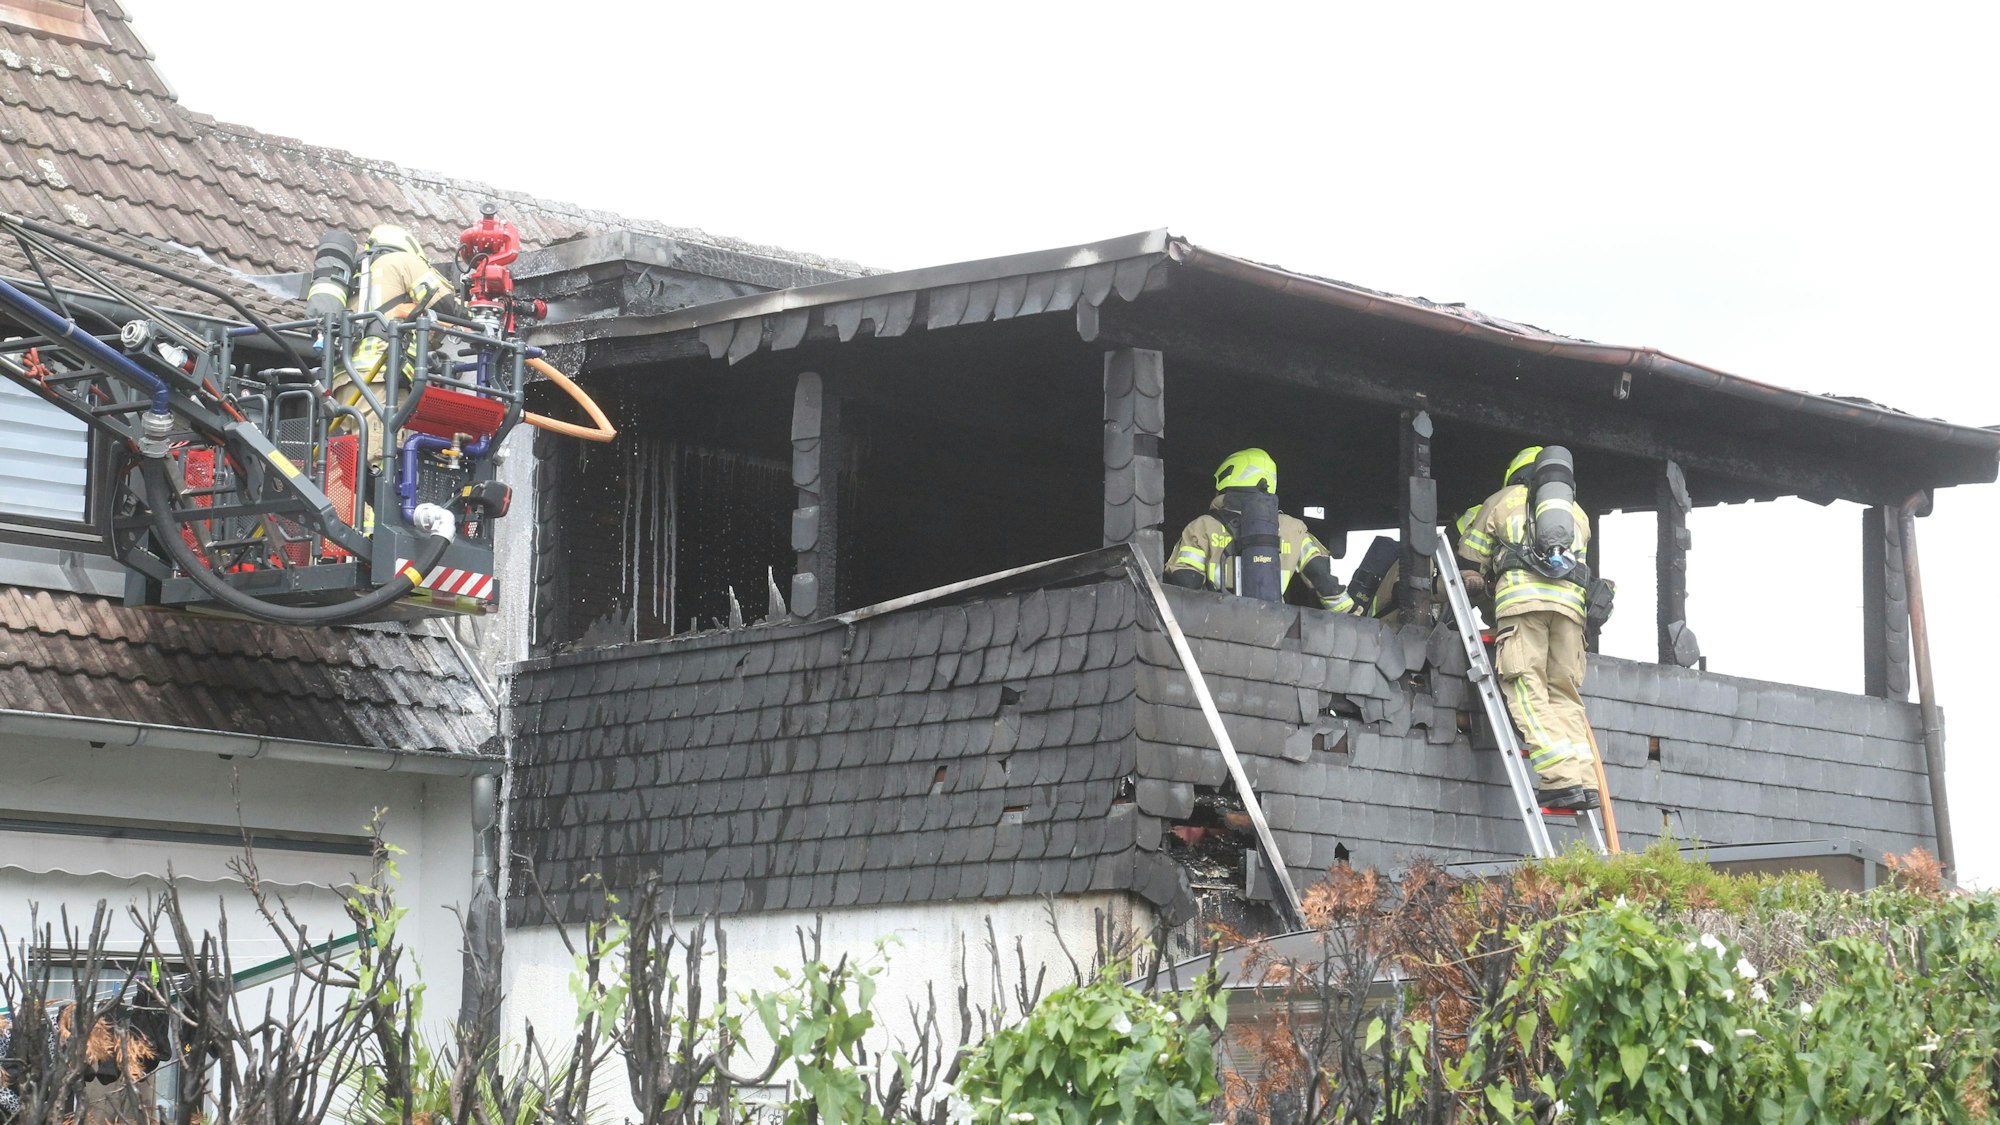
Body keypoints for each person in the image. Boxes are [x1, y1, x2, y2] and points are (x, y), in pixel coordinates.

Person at [1456, 446, 1600, 810]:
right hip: (1571, 614)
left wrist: (1477, 581)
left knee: (1525, 685)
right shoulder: (1576, 515)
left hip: (1523, 608)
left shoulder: (1503, 501)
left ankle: (1560, 778)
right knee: (1564, 694)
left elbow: (1470, 557)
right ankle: (1585, 780)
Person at [1164, 448, 1362, 614]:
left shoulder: (1202, 526)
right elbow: (1324, 581)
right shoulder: (1294, 529)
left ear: (1228, 477)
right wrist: (1355, 617)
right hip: (1274, 628)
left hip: (1218, 625)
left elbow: (1185, 581)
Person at [329, 224, 468, 460]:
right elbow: (444, 304)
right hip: (379, 379)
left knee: (349, 469)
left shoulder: (357, 276)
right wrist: (475, 319)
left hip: (344, 381)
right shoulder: (402, 261)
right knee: (379, 462)